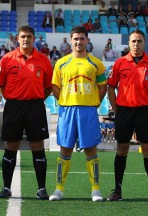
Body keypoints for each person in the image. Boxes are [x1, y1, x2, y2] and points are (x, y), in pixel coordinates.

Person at [107, 29, 148, 202]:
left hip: (144, 112)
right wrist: (116, 108)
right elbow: (111, 87)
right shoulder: (119, 63)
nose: (136, 44)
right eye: (133, 41)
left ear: (144, 43)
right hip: (124, 111)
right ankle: (117, 190)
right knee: (122, 149)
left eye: (139, 41)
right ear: (129, 43)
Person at [49, 26, 107, 202]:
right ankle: (59, 189)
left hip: (88, 110)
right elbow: (55, 87)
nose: (78, 42)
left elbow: (103, 87)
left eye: (82, 38)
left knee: (91, 150)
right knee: (65, 150)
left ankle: (95, 190)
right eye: (75, 39)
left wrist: (94, 102)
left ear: (87, 40)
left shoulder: (96, 63)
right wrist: (65, 101)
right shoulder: (61, 63)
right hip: (67, 110)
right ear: (70, 40)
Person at [0, 25, 53, 199]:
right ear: (17, 39)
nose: (26, 39)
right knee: (11, 145)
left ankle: (41, 188)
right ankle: (6, 187)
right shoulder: (7, 59)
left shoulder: (43, 60)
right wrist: (13, 98)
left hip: (35, 107)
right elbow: (0, 84)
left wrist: (35, 98)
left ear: (34, 38)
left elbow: (49, 87)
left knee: (37, 146)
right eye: (23, 36)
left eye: (29, 36)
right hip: (13, 106)